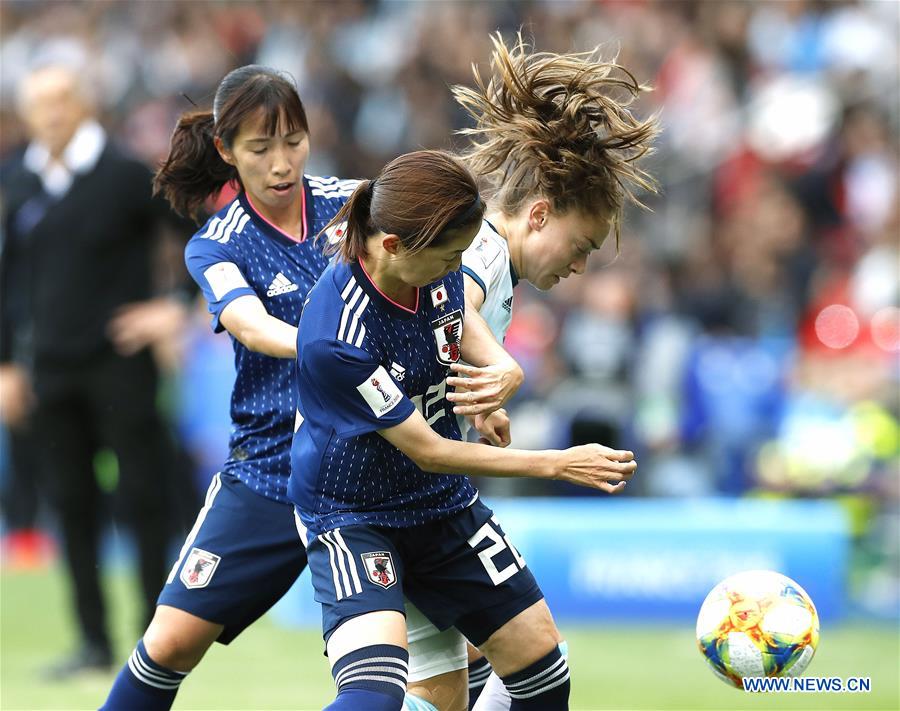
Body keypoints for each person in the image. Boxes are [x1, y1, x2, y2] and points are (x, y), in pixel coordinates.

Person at [100, 65, 519, 710]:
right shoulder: (217, 244)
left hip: (371, 471)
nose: (281, 163)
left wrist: (492, 368)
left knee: (468, 657)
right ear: (226, 151)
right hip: (270, 470)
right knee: (170, 643)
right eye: (260, 148)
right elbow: (249, 323)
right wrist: (337, 355)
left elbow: (445, 274)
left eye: (293, 140)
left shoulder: (357, 203)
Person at [290, 149, 637, 711]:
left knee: (543, 675)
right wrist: (556, 462)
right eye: (451, 257)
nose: (460, 269)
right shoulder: (338, 337)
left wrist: (487, 391)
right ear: (394, 246)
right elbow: (428, 450)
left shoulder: (436, 270)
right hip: (355, 515)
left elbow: (455, 332)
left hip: (441, 506)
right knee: (376, 697)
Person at [452, 34, 660, 710]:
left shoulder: (500, 267)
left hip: (427, 485)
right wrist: (501, 363)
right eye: (581, 245)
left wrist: (480, 400)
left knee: (485, 670)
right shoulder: (481, 246)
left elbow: (437, 330)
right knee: (537, 670)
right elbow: (452, 301)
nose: (580, 265)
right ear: (539, 214)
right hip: (409, 492)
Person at [0, 60, 189, 678]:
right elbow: (7, 282)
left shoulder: (126, 175)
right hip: (48, 370)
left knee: (142, 497)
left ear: (84, 103)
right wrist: (6, 365)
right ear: (26, 114)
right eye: (40, 104)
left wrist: (175, 308)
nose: (51, 114)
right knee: (70, 503)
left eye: (62, 100)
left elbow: (202, 236)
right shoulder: (18, 181)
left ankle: (154, 641)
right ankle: (92, 643)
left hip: (120, 366)